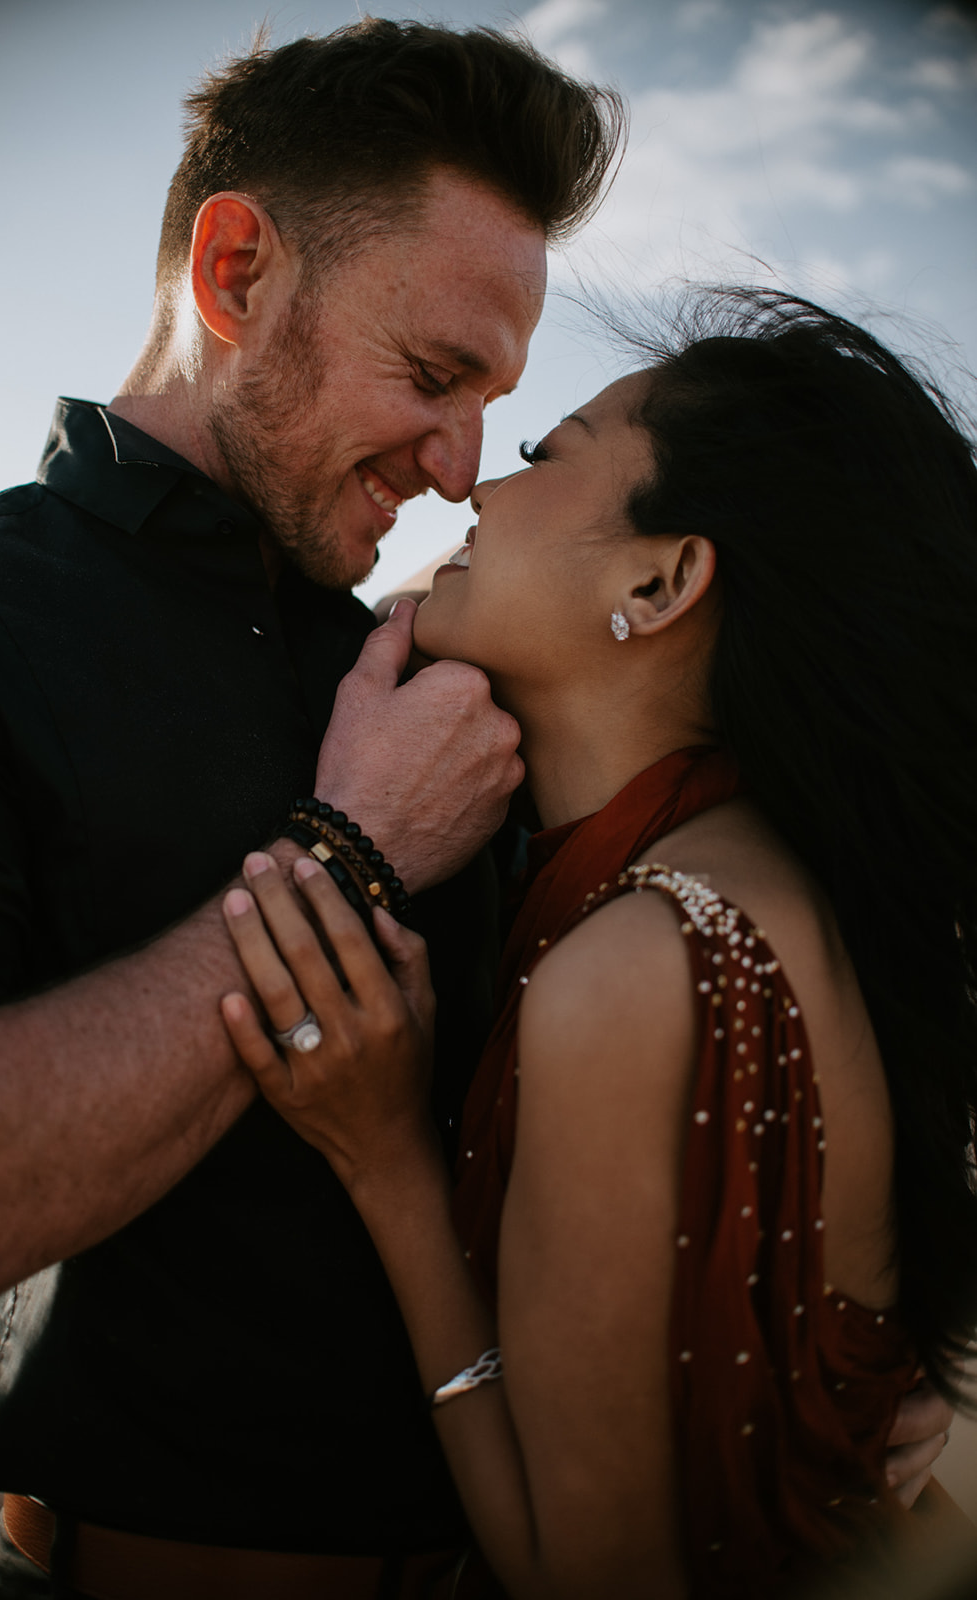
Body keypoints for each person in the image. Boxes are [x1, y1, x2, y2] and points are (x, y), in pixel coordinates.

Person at [0, 19, 626, 1599]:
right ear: (234, 273)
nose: (456, 468)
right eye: (433, 376)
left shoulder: (447, 661)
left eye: (492, 403)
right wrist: (347, 854)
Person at [218, 289, 977, 1598]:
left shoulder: (635, 968)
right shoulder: (790, 885)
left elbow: (584, 1572)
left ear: (661, 578)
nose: (477, 492)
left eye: (543, 455)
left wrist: (386, 1155)